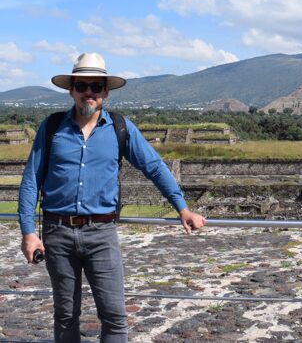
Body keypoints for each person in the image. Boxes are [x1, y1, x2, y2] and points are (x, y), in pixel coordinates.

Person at [18, 52, 206, 343]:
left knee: (115, 317)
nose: (88, 93)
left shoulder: (120, 128)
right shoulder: (52, 127)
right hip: (57, 232)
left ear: (106, 90)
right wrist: (29, 233)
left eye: (95, 86)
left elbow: (154, 166)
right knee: (66, 315)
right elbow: (31, 180)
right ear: (72, 90)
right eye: (82, 86)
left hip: (101, 233)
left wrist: (182, 208)